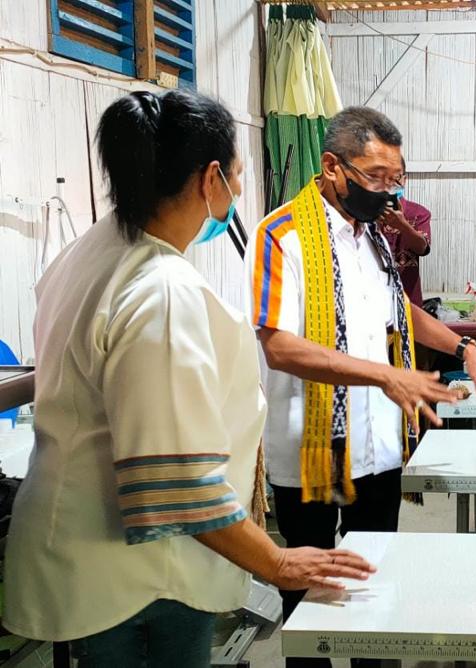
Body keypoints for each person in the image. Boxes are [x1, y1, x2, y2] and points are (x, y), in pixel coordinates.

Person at [2, 90, 375, 668]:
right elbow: (174, 484)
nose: (242, 192)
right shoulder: (162, 293)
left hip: (81, 544)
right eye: (239, 175)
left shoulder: (89, 251)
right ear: (210, 180)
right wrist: (278, 563)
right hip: (137, 573)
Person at [247, 106, 476, 667]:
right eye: (374, 177)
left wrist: (466, 350)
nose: (386, 191)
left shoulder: (372, 236)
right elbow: (278, 346)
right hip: (311, 452)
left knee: (376, 589)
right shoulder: (281, 236)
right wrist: (384, 374)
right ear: (332, 167)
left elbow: (403, 311)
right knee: (311, 603)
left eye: (395, 179)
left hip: (376, 447)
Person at [379, 159, 431, 308]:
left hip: (409, 300)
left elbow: (423, 249)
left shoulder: (419, 214)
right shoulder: (364, 214)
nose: (389, 183)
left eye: (395, 177)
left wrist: (403, 225)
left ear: (404, 179)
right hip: (374, 301)